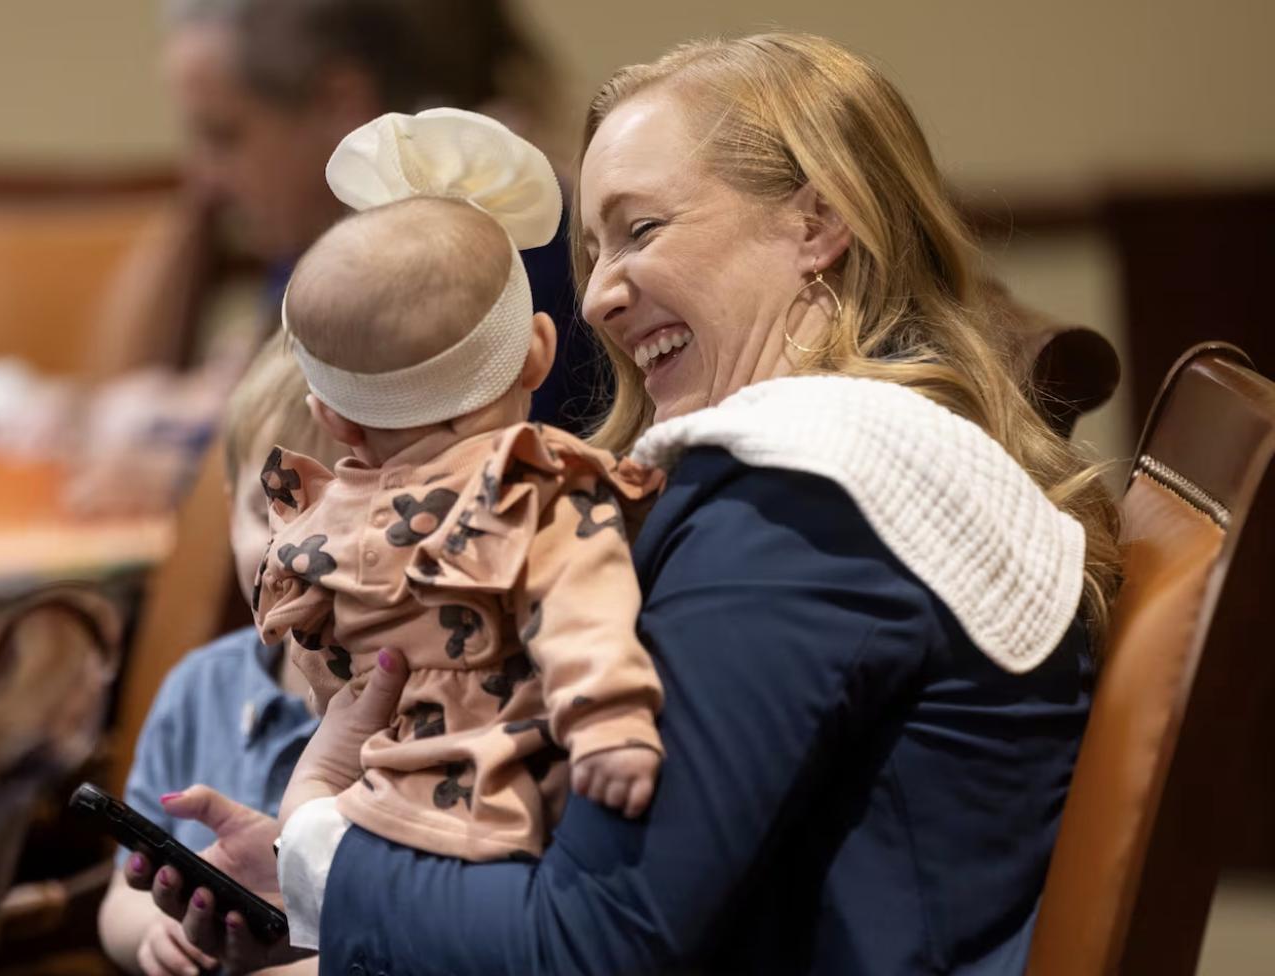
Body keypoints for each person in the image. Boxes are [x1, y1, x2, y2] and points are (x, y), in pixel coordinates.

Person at [129, 32, 1123, 975]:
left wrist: (318, 849)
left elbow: (593, 940)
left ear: (816, 224)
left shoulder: (808, 500)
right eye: (593, 250)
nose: (600, 294)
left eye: (640, 229)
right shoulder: (826, 475)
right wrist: (304, 886)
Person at [253, 111, 665, 930]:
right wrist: (611, 721)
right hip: (491, 825)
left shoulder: (317, 528)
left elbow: (332, 679)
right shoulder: (531, 487)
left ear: (328, 420)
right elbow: (583, 603)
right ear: (540, 352)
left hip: (357, 824)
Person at [160, 0, 604, 432]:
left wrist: (177, 471)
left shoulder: (485, 244)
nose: (206, 181)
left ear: (338, 100)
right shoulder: (333, 238)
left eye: (224, 136)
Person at [96, 337, 339, 976]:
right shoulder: (198, 688)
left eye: (331, 511)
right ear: (228, 506)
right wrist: (150, 932)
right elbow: (122, 891)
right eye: (266, 511)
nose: (291, 546)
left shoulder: (418, 709)